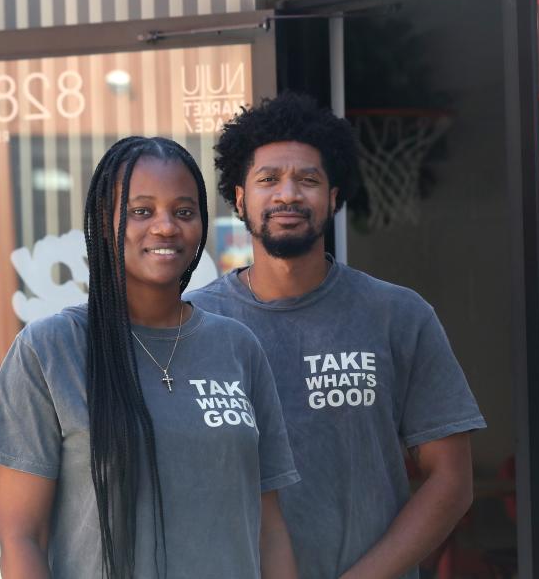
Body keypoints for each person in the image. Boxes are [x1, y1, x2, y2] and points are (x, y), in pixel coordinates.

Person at [0, 136, 300, 579]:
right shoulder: (50, 350)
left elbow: (270, 528)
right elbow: (22, 537)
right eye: (141, 211)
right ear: (106, 224)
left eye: (184, 212)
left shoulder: (238, 347)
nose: (166, 227)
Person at [186, 93, 486, 579]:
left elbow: (451, 482)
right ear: (240, 197)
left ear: (334, 196)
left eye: (308, 179)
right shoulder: (194, 324)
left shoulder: (397, 315)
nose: (288, 194)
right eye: (268, 180)